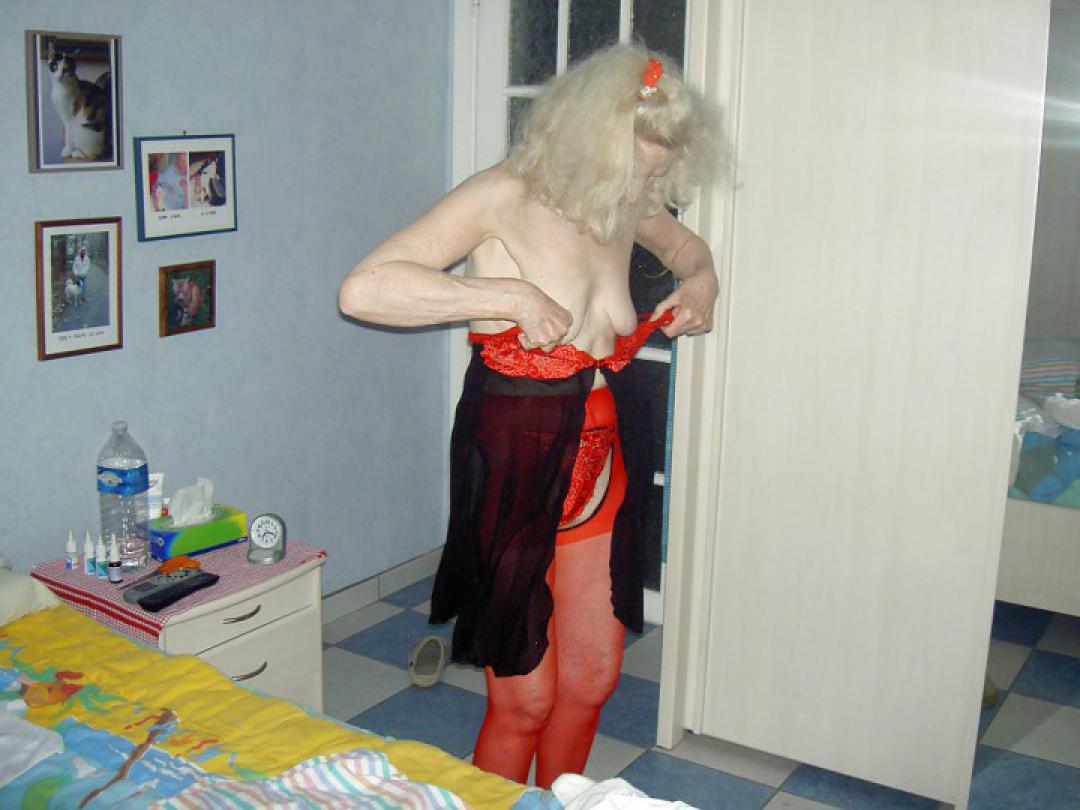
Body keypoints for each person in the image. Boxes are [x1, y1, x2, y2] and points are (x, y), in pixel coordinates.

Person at [338, 43, 721, 788]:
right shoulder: (502, 194)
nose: (644, 190)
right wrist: (504, 296)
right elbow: (365, 289)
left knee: (593, 678)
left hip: (606, 449)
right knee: (525, 698)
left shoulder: (624, 200)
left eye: (654, 176)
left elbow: (686, 247)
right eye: (635, 169)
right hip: (516, 449)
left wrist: (702, 279)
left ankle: (560, 802)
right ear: (590, 139)